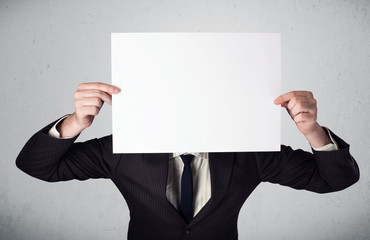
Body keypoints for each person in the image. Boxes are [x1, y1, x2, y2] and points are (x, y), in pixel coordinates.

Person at [16, 82, 360, 240]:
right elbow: (36, 165)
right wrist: (75, 122)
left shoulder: (252, 151)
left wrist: (312, 130)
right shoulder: (120, 150)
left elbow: (336, 180)